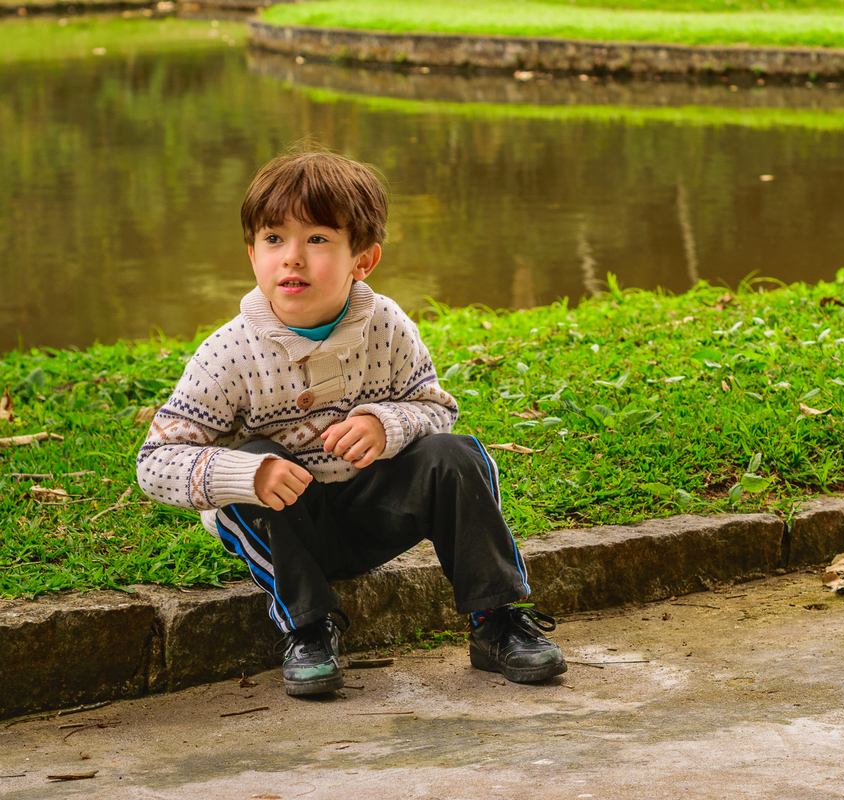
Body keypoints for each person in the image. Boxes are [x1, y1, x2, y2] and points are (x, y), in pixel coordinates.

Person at [136, 150, 566, 696]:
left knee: (455, 453)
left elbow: (436, 408)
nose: (292, 258)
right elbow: (154, 462)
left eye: (316, 240)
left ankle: (496, 621)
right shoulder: (228, 353)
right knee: (253, 458)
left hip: (371, 513)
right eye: (274, 240)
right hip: (287, 526)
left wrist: (388, 424)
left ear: (362, 260)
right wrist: (246, 475)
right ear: (251, 254)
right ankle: (309, 630)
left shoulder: (385, 324)